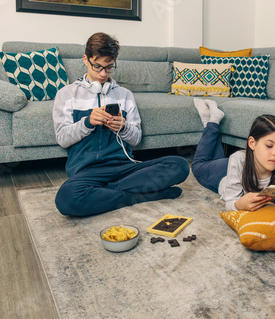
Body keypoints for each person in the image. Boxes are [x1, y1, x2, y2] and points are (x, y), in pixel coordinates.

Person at [53, 32, 189, 216]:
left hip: (125, 168)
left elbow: (136, 139)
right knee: (66, 198)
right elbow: (62, 138)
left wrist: (123, 128)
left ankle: (105, 192)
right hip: (87, 172)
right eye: (97, 67)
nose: (103, 74)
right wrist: (87, 122)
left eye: (108, 68)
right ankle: (137, 196)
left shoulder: (124, 95)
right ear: (86, 59)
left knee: (179, 165)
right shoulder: (66, 94)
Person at [191, 98, 275, 212]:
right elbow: (230, 203)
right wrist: (239, 204)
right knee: (197, 166)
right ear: (252, 143)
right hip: (222, 174)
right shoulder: (238, 159)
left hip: (237, 166)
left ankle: (210, 123)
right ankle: (211, 121)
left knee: (216, 157)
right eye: (269, 146)